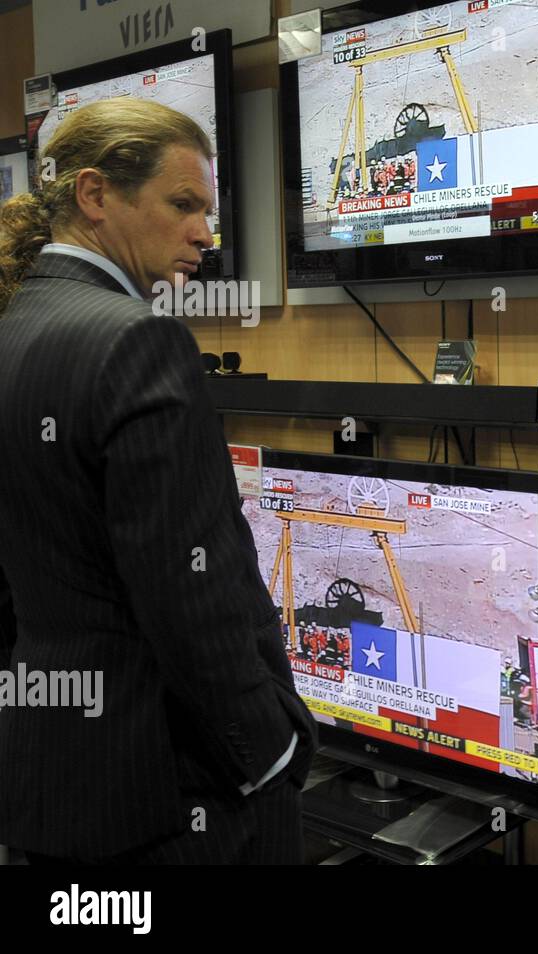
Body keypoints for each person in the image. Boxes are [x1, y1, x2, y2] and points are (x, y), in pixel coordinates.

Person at [0, 98, 316, 864]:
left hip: (49, 784)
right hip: (165, 797)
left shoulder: (14, 327)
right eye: (183, 205)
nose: (205, 234)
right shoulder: (137, 340)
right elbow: (189, 594)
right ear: (94, 195)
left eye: (207, 211)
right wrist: (270, 751)